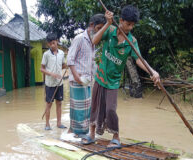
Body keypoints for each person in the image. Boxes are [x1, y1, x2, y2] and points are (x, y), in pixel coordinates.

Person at [89, 5, 160, 147]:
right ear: (120, 20)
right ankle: (91, 134)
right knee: (95, 106)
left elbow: (139, 59)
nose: (130, 28)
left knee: (110, 109)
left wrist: (152, 71)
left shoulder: (132, 42)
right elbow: (94, 41)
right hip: (100, 77)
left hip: (114, 81)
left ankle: (116, 137)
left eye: (133, 25)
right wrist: (108, 23)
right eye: (128, 24)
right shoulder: (110, 30)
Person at [67, 14, 106, 144]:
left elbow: (93, 62)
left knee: (86, 108)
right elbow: (70, 59)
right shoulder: (79, 39)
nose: (99, 31)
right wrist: (77, 77)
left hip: (88, 80)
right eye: (98, 28)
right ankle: (80, 133)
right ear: (91, 26)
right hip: (78, 79)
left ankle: (75, 131)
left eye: (102, 29)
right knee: (78, 109)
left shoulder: (93, 42)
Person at [41, 33, 67, 130]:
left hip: (59, 83)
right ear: (48, 44)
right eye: (50, 44)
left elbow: (63, 65)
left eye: (54, 43)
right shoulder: (46, 54)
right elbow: (42, 69)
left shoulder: (61, 53)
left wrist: (67, 66)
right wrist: (51, 74)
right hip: (50, 84)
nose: (52, 45)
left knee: (59, 103)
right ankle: (47, 124)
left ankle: (59, 123)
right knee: (49, 104)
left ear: (57, 41)